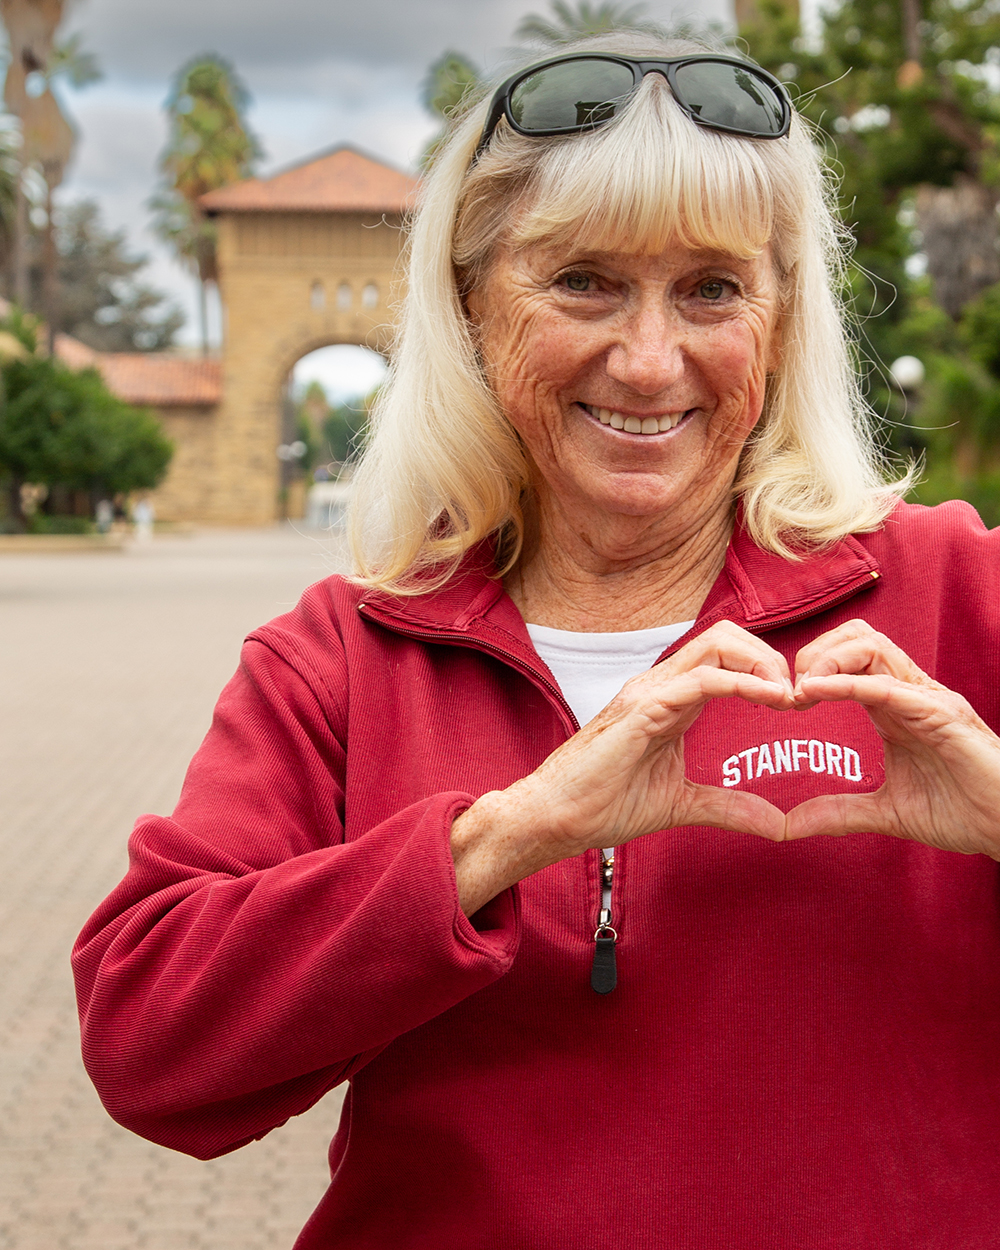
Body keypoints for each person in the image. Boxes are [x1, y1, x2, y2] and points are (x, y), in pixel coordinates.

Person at [73, 31, 1000, 1249]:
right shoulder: (346, 653)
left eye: (712, 288)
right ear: (468, 302)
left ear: (779, 321)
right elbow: (149, 1045)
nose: (649, 358)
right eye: (583, 281)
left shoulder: (949, 589)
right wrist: (510, 834)